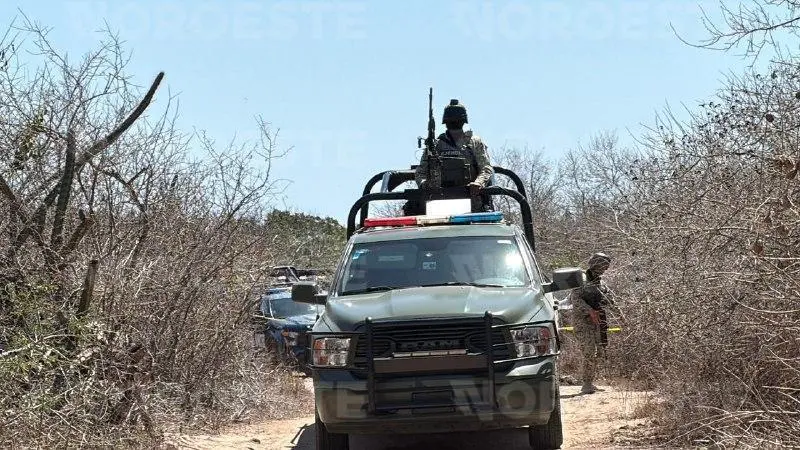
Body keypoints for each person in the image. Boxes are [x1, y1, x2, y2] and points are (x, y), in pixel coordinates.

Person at [414, 98, 494, 213]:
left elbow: (486, 168)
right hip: (438, 204)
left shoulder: (473, 142)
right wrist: (424, 184)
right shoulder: (435, 145)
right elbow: (420, 172)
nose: (454, 122)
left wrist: (478, 183)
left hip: (472, 203)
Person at [569, 252, 617, 394]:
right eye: (604, 266)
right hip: (583, 323)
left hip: (598, 323)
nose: (605, 269)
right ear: (596, 263)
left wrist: (621, 315)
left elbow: (609, 300)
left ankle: (591, 381)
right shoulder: (581, 279)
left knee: (599, 352)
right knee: (589, 352)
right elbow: (575, 299)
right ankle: (586, 383)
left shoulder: (601, 283)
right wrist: (589, 311)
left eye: (606, 266)